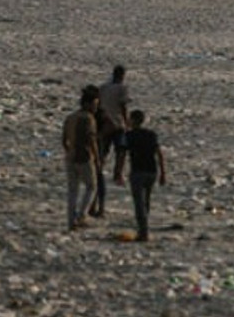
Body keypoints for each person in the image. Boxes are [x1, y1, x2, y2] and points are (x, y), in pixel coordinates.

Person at [113, 110, 166, 242]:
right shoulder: (151, 135)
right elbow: (159, 153)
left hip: (137, 171)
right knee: (146, 201)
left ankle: (143, 232)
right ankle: (144, 228)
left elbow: (122, 155)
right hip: (152, 171)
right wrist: (163, 173)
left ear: (132, 120)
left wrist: (118, 171)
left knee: (139, 203)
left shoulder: (128, 135)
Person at [93, 65, 131, 218]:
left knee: (103, 150)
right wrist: (127, 121)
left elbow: (99, 105)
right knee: (121, 149)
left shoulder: (103, 88)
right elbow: (123, 105)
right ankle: (117, 173)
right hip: (117, 123)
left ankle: (100, 166)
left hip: (104, 124)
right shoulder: (122, 88)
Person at [63, 87, 100, 230]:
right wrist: (96, 158)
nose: (96, 107)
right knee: (91, 186)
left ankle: (71, 221)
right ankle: (81, 215)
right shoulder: (88, 119)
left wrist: (69, 152)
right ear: (87, 104)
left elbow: (64, 140)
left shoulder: (70, 117)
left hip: (70, 157)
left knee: (73, 190)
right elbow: (91, 139)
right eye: (94, 104)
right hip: (84, 157)